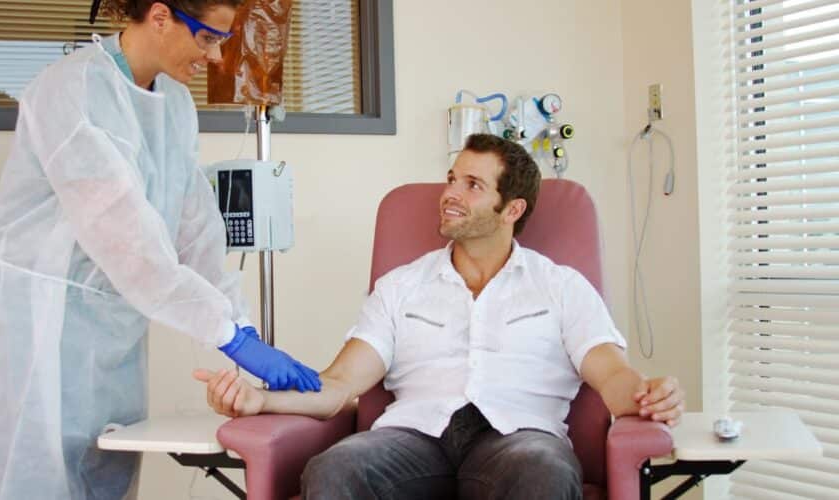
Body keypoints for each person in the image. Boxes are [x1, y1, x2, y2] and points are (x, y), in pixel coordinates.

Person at [0, 1, 320, 499]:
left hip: (112, 331)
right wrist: (226, 335)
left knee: (104, 477)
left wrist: (240, 322)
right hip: (33, 324)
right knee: (26, 482)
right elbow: (126, 236)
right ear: (160, 16)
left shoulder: (175, 105)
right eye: (207, 38)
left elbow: (196, 229)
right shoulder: (70, 90)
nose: (217, 57)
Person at [195, 134, 686, 500]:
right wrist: (260, 400)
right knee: (336, 468)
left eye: (472, 185)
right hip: (412, 438)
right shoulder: (400, 286)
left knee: (544, 470)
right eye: (452, 178)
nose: (450, 192)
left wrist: (647, 395)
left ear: (511, 207)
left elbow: (612, 373)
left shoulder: (560, 286)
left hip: (519, 440)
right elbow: (339, 386)